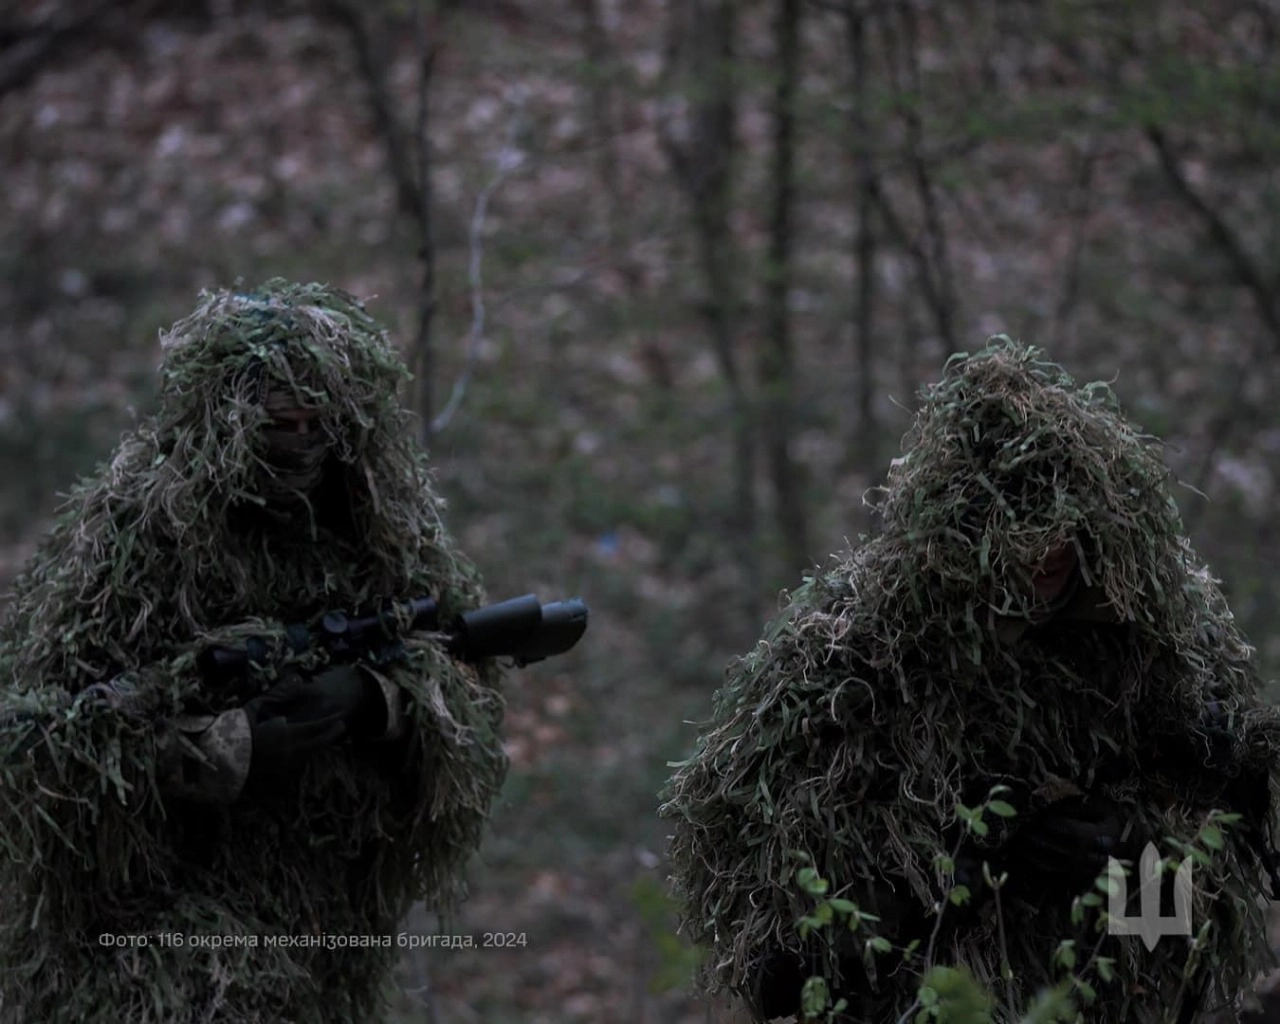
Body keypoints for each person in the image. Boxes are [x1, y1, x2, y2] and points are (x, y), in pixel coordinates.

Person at [663, 338, 1280, 1023]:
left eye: (1055, 544)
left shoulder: (1162, 656)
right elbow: (785, 964)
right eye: (1011, 546)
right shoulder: (851, 661)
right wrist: (967, 863)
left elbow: (1193, 928)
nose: (1037, 564)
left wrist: (1131, 856)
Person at [0, 281, 509, 1023]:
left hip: (327, 931)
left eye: (316, 423)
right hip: (159, 939)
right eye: (278, 424)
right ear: (226, 418)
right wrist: (216, 749)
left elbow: (468, 687)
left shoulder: (381, 531)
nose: (300, 441)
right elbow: (33, 750)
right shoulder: (136, 538)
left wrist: (373, 699)